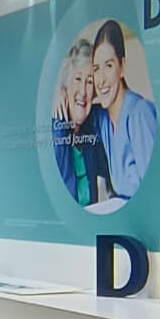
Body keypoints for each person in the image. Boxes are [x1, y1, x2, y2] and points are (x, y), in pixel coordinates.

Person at [88, 19, 158, 207]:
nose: (101, 79)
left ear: (122, 66)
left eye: (109, 66)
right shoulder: (102, 119)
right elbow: (79, 109)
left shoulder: (139, 113)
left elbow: (155, 190)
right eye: (96, 69)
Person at [49, 38, 107, 207]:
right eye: (77, 79)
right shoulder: (55, 133)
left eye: (89, 82)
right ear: (64, 89)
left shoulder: (91, 129)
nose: (83, 91)